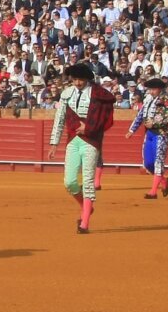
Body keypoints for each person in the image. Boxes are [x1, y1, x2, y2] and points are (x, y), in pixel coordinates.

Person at [47, 63, 116, 234]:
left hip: (91, 141)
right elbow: (60, 119)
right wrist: (54, 143)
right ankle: (86, 207)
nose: (77, 83)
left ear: (87, 79)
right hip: (73, 140)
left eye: (81, 79)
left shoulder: (98, 94)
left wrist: (89, 128)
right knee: (69, 182)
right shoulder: (66, 94)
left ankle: (84, 222)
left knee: (87, 180)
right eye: (75, 79)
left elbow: (105, 117)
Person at [127, 78, 168, 199]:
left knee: (158, 162)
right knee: (148, 163)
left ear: (159, 89)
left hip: (161, 134)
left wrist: (155, 123)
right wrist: (131, 130)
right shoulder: (148, 99)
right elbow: (140, 115)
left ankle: (153, 191)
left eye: (153, 89)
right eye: (150, 89)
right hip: (149, 134)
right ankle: (164, 181)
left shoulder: (167, 99)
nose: (151, 91)